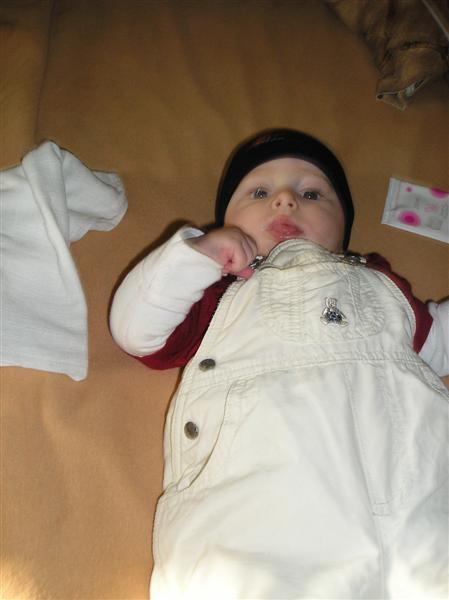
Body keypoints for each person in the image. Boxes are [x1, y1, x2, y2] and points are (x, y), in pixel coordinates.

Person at [110, 129, 449, 599]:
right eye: (259, 192)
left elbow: (437, 342)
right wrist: (195, 257)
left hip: (414, 493)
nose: (286, 200)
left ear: (344, 228)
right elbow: (136, 332)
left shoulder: (379, 284)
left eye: (312, 193)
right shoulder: (218, 292)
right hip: (267, 500)